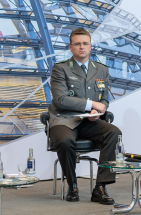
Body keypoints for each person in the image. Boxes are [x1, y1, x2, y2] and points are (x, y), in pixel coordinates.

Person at [47, 28, 121, 204]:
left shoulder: (101, 70)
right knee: (65, 141)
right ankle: (72, 185)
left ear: (91, 46)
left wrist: (98, 110)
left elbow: (103, 99)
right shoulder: (60, 68)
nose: (82, 47)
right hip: (63, 120)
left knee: (113, 132)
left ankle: (100, 187)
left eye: (85, 44)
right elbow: (60, 100)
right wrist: (92, 104)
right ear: (70, 47)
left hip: (89, 121)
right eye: (77, 44)